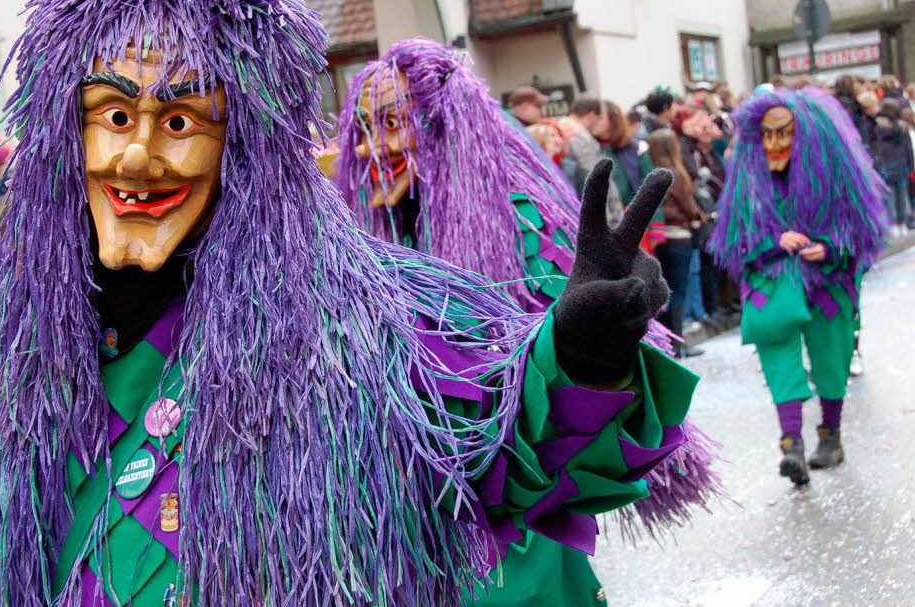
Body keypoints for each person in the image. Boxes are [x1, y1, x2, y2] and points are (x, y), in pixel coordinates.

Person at [0, 0, 702, 605]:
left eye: (179, 118)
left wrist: (581, 358)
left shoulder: (364, 330)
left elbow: (499, 454)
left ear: (242, 143)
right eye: (112, 115)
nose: (138, 155)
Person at [335, 37, 720, 607]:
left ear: (444, 129)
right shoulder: (373, 232)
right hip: (421, 503)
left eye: (392, 123)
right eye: (362, 128)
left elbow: (563, 369)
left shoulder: (516, 220)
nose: (372, 147)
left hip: (514, 483)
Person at [709, 87, 887, 486]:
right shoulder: (749, 179)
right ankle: (791, 443)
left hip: (827, 285)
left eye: (784, 133)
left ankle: (831, 435)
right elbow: (735, 236)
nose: (774, 144)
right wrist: (774, 241)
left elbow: (861, 232)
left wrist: (830, 248)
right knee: (778, 357)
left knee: (831, 358)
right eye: (767, 134)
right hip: (772, 284)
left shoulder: (836, 176)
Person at [648, 130, 705, 358]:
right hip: (679, 235)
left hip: (660, 237)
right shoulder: (676, 173)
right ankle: (678, 343)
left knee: (663, 291)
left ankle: (665, 343)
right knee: (679, 290)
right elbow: (687, 205)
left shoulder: (650, 171)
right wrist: (698, 217)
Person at [560, 98, 623, 226]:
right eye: (600, 118)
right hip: (596, 220)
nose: (602, 124)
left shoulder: (565, 132)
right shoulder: (577, 138)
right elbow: (594, 180)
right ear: (591, 115)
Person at [872, 98, 913, 236]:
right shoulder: (902, 127)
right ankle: (902, 222)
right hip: (901, 165)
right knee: (902, 195)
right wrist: (910, 164)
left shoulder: (877, 126)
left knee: (890, 196)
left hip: (886, 166)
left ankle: (893, 223)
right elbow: (908, 148)